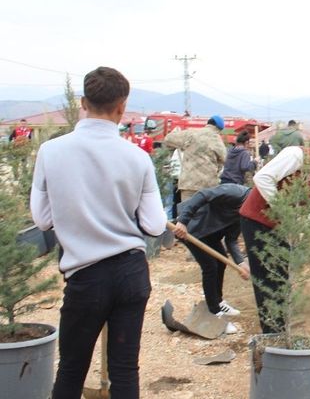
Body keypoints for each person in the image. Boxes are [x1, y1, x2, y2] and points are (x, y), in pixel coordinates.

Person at [30, 67, 167, 398]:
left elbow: (43, 219)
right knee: (124, 370)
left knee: (72, 369)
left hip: (86, 277)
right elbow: (155, 225)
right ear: (122, 107)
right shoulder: (138, 158)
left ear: (82, 103)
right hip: (131, 275)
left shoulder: (51, 151)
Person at [238, 131, 310, 334]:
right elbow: (263, 177)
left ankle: (279, 333)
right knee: (268, 282)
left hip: (281, 228)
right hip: (257, 222)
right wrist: (285, 210)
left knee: (281, 281)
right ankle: (272, 339)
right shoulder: (298, 155)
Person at [171, 183, 251, 335]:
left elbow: (231, 240)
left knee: (221, 262)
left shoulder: (245, 212)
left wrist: (241, 262)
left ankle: (219, 302)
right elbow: (203, 194)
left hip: (211, 235)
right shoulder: (236, 192)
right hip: (192, 229)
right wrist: (183, 220)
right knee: (210, 267)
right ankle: (213, 311)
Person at [163, 115, 227, 202]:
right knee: (204, 214)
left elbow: (168, 139)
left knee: (187, 213)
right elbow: (224, 159)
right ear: (219, 129)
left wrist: (175, 133)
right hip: (208, 186)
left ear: (208, 123)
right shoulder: (217, 140)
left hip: (189, 185)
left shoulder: (191, 133)